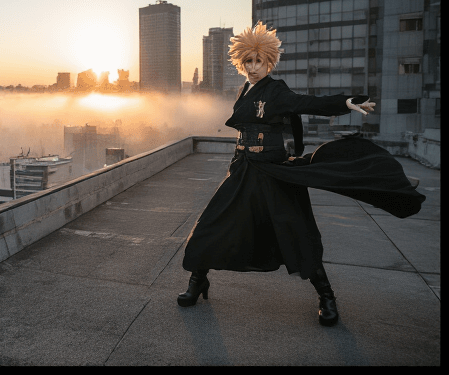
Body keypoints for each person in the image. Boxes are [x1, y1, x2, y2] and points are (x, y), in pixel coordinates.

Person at [178, 23, 425, 324]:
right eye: (248, 62)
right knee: (212, 224)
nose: (253, 67)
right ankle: (197, 281)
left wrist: (344, 103)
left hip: (272, 173)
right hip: (242, 170)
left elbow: (306, 103)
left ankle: (327, 297)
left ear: (269, 62)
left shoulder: (277, 90)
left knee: (295, 233)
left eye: (258, 61)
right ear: (241, 63)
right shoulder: (245, 89)